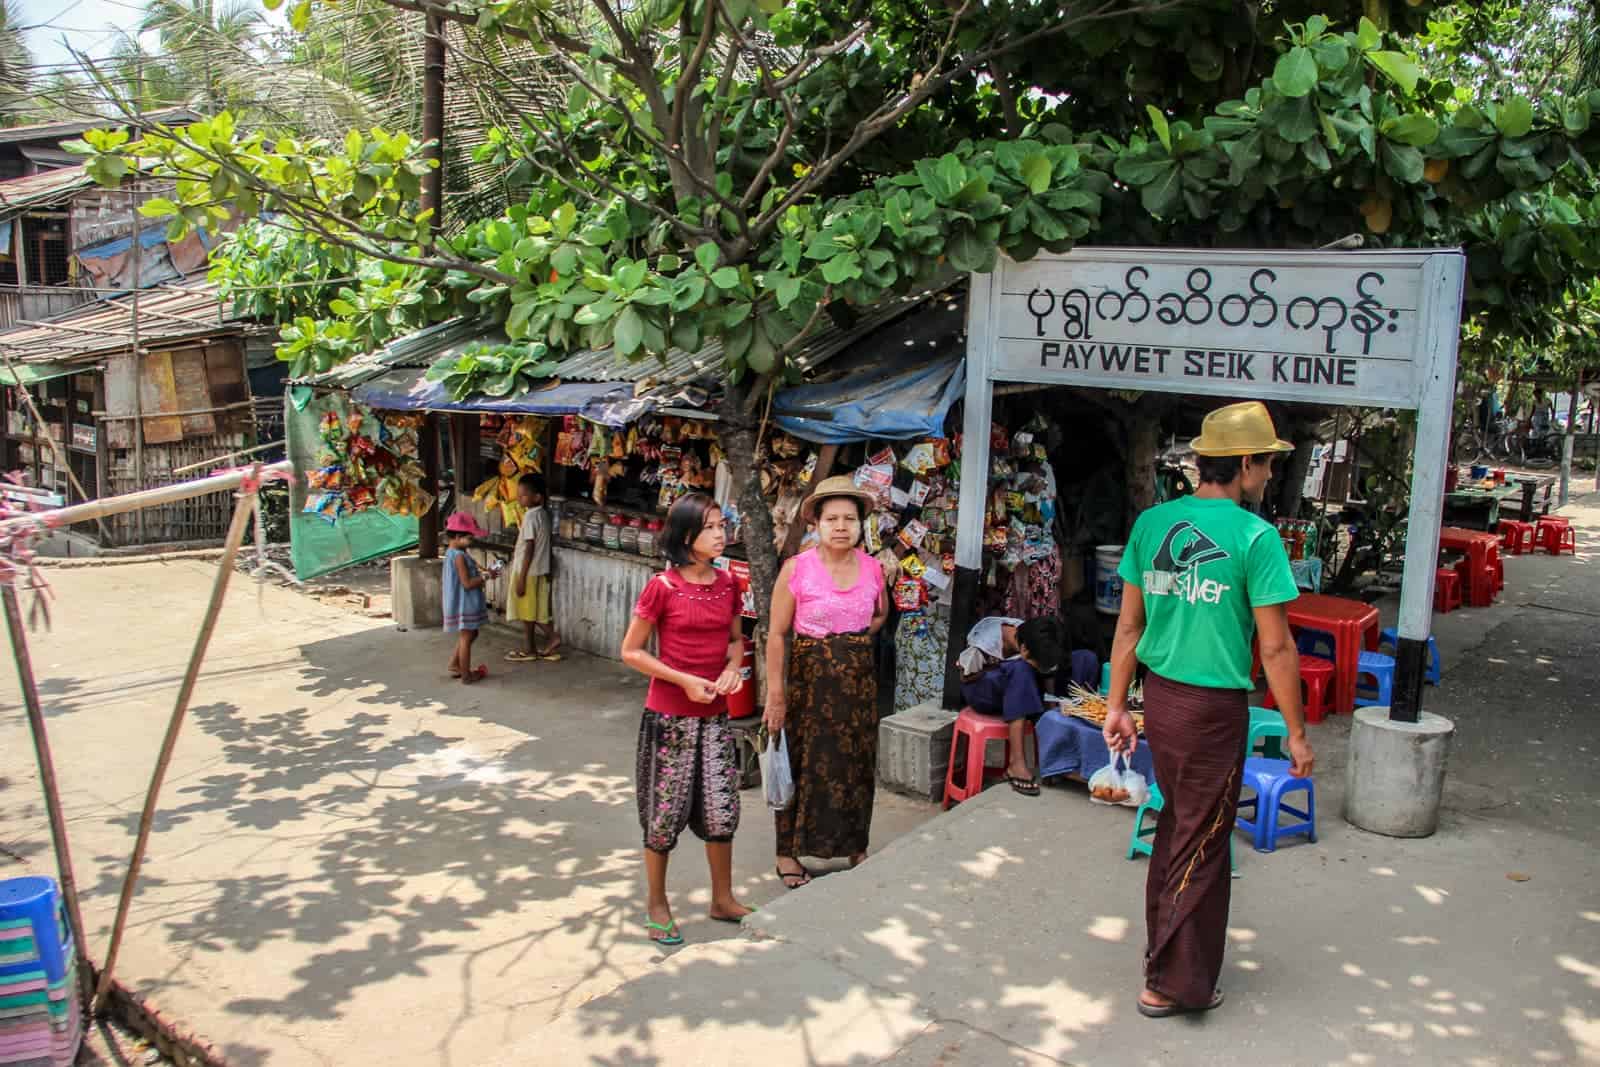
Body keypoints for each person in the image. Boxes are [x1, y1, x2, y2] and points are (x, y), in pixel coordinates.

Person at [1102, 400, 1314, 1020]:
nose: (1270, 475)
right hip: (1214, 709)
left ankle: (1166, 959)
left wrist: (1119, 705)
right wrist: (1297, 734)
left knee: (1180, 827)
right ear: (1244, 463)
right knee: (1202, 838)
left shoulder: (1153, 524)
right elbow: (1274, 646)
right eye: (1267, 464)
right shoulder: (1256, 537)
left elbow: (1127, 629)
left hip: (1163, 701)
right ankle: (1172, 982)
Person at [620, 494, 751, 945]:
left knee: (721, 812)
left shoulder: (730, 582)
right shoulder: (663, 587)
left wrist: (733, 670)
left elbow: (736, 640)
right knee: (662, 816)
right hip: (668, 718)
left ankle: (723, 897)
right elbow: (631, 651)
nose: (721, 534)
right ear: (686, 536)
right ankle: (657, 905)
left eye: (722, 525)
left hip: (715, 717)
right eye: (711, 527)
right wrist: (683, 680)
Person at [764, 475, 888, 890]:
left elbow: (880, 615)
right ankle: (788, 852)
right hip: (807, 686)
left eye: (849, 519)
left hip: (858, 689)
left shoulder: (874, 569)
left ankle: (855, 844)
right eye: (831, 518)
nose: (841, 526)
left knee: (855, 765)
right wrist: (776, 694)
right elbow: (777, 635)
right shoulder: (796, 569)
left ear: (859, 524)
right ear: (816, 523)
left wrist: (850, 642)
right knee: (802, 763)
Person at [959, 616, 1065, 796]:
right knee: (1021, 671)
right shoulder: (983, 644)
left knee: (1083, 659)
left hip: (1018, 691)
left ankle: (1053, 753)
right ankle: (1016, 762)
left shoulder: (1029, 635)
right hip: (982, 692)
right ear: (1023, 649)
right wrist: (1001, 667)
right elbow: (966, 676)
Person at [505, 474, 560, 663]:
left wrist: (521, 577)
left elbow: (529, 548)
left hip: (527, 571)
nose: (520, 499)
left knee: (527, 611)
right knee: (534, 610)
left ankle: (540, 643)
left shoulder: (530, 517)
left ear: (537, 497)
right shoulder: (544, 515)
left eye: (524, 496)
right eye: (519, 495)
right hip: (540, 569)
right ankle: (532, 647)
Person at [442, 512, 492, 684]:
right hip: (465, 601)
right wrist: (486, 577)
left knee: (471, 633)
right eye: (470, 538)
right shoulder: (459, 556)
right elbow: (468, 583)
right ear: (457, 536)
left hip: (461, 600)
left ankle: (455, 664)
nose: (472, 541)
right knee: (467, 636)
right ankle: (466, 675)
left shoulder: (454, 552)